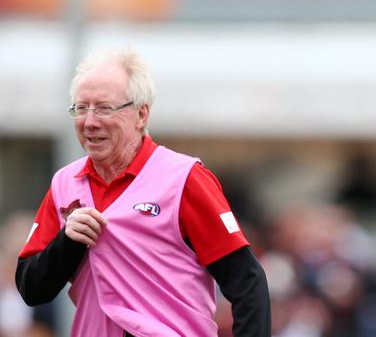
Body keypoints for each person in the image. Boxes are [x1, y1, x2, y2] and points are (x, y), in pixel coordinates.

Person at [15, 49, 271, 336]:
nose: (89, 121)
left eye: (103, 108)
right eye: (81, 108)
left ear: (141, 114)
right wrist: (67, 242)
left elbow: (247, 282)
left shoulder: (184, 178)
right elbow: (31, 289)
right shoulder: (64, 182)